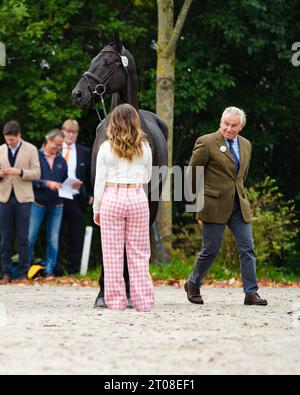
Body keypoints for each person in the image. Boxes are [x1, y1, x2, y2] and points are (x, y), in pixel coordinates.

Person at [185, 107, 268, 306]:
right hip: (213, 204)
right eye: (226, 124)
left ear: (242, 126)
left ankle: (251, 293)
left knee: (247, 248)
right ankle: (193, 283)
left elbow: (241, 176)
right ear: (221, 122)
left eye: (234, 125)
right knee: (211, 249)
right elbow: (192, 176)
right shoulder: (206, 142)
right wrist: (197, 207)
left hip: (239, 205)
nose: (229, 129)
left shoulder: (246, 145)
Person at [93, 104, 154, 312]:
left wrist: (96, 209)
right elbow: (147, 177)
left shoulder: (105, 148)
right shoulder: (145, 147)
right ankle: (143, 302)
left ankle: (116, 302)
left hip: (112, 196)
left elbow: (99, 181)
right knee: (139, 253)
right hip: (137, 196)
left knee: (112, 254)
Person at [0, 121, 41, 282]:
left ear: (19, 135)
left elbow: (37, 173)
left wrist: (20, 171)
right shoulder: (1, 150)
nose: (9, 143)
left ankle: (23, 273)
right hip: (4, 197)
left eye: (12, 140)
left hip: (23, 198)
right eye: (7, 140)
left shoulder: (31, 149)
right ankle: (6, 273)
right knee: (5, 238)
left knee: (23, 238)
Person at [27, 130, 68, 277]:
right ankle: (26, 270)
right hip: (37, 203)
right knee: (31, 236)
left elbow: (64, 179)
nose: (57, 148)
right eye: (55, 145)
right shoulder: (35, 157)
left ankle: (49, 271)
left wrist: (71, 185)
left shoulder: (61, 161)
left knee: (53, 238)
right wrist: (46, 184)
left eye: (60, 146)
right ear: (47, 141)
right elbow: (30, 178)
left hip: (57, 204)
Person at [60, 119, 93, 274]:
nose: (71, 135)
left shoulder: (84, 151)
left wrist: (92, 193)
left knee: (76, 233)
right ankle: (55, 268)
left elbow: (90, 174)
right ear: (63, 132)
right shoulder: (55, 147)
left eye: (74, 132)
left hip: (76, 197)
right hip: (56, 196)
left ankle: (74, 268)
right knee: (56, 233)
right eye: (68, 132)